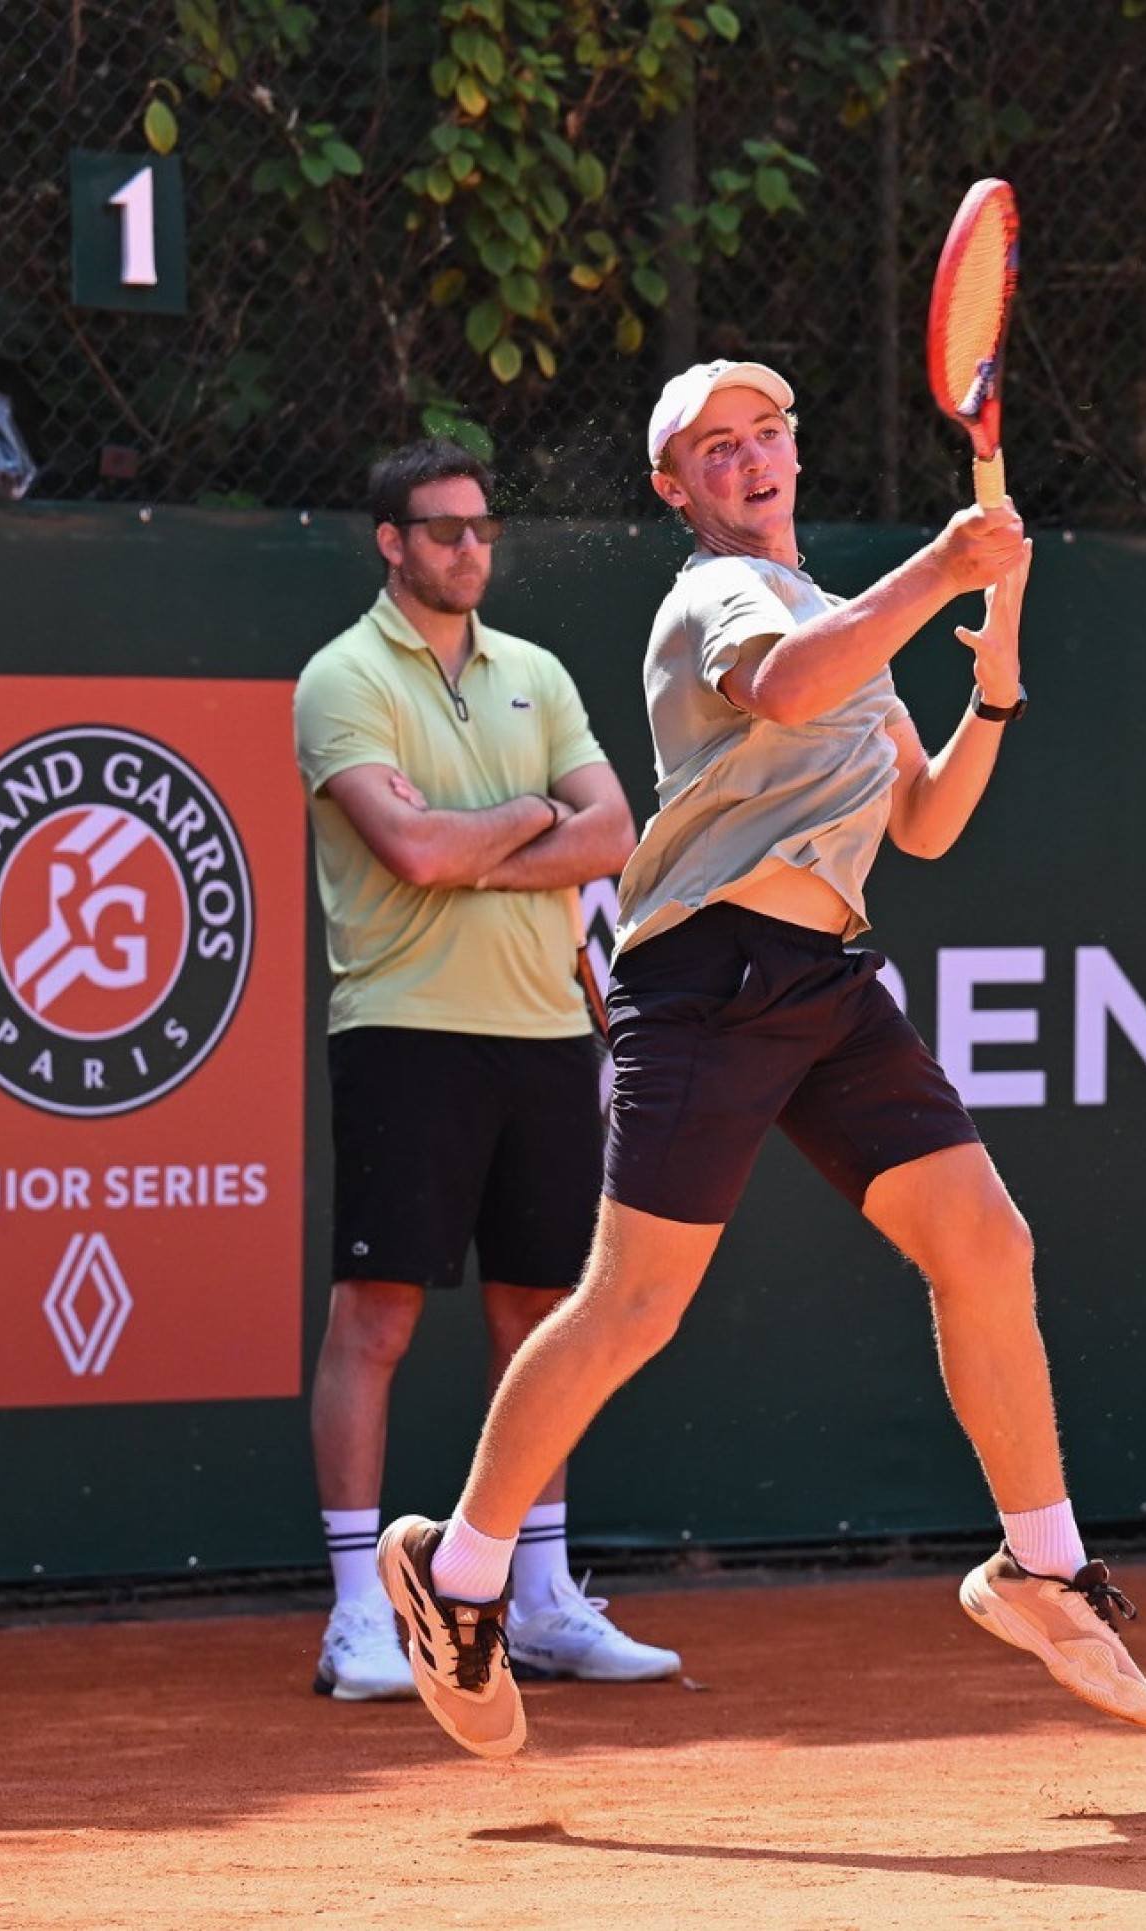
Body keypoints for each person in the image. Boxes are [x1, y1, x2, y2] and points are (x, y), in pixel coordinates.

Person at [375, 363, 1146, 1758]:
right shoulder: (720, 600)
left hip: (824, 977)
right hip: (708, 974)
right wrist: (942, 565)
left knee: (986, 1241)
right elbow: (796, 689)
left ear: (795, 451)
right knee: (630, 1306)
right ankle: (457, 1574)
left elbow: (918, 824)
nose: (748, 460)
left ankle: (1039, 1563)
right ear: (675, 490)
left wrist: (992, 692)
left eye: (766, 435)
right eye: (712, 449)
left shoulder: (833, 616)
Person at [292, 438, 678, 1702]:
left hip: (545, 1036)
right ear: (390, 541)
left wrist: (480, 839)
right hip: (403, 1026)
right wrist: (530, 820)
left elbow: (616, 829)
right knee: (381, 1318)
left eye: (482, 529)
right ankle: (359, 1612)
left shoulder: (540, 673)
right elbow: (406, 850)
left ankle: (542, 1594)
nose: (469, 548)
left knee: (542, 1319)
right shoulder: (341, 680)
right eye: (442, 529)